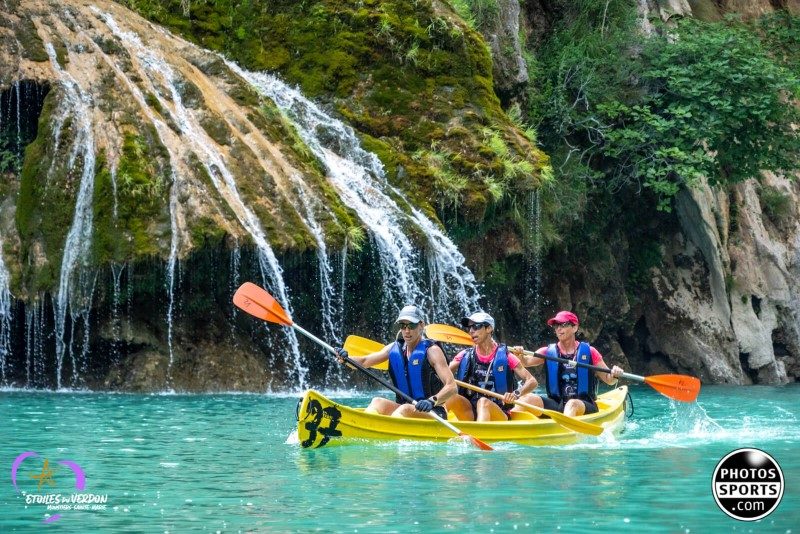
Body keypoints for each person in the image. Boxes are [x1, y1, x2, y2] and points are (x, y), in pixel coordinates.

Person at [334, 305, 456, 419]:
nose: (407, 331)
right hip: (404, 409)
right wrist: (346, 359)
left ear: (421, 325)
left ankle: (385, 430)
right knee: (377, 401)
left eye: (411, 326)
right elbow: (364, 361)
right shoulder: (393, 348)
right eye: (403, 326)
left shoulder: (432, 351)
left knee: (405, 408)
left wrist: (431, 400)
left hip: (433, 412)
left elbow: (452, 387)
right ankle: (365, 425)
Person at [515, 310, 624, 417]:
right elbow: (525, 362)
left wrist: (615, 374)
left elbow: (609, 379)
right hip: (557, 403)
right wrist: (519, 354)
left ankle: (565, 431)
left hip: (583, 404)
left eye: (563, 325)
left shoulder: (590, 352)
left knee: (572, 404)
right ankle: (506, 425)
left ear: (575, 327)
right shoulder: (547, 352)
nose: (559, 328)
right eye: (556, 326)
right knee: (527, 398)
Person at [444, 312, 538, 422]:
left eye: (476, 326)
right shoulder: (464, 355)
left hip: (498, 412)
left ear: (488, 328)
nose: (471, 331)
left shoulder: (507, 357)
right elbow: (443, 374)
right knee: (450, 397)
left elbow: (532, 381)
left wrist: (515, 394)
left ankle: (479, 434)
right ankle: (438, 424)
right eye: (469, 327)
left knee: (483, 402)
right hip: (470, 411)